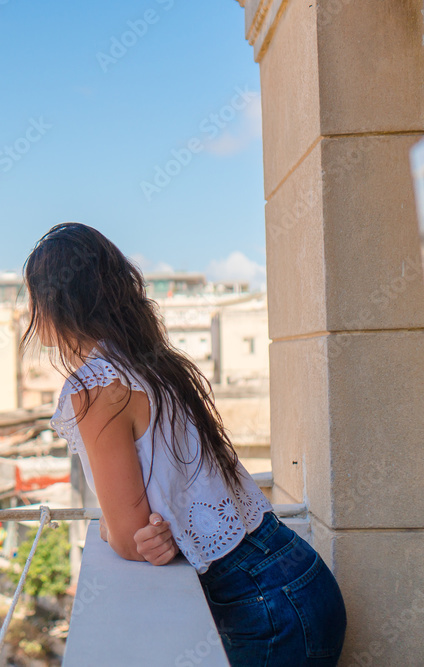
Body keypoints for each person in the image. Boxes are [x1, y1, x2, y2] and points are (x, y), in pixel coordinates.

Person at [26, 223, 346, 665]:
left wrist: (112, 527)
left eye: (32, 296)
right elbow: (144, 530)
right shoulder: (152, 364)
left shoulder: (96, 387)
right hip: (293, 577)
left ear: (55, 300)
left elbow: (128, 538)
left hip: (265, 606)